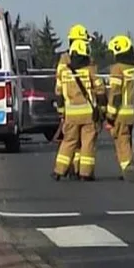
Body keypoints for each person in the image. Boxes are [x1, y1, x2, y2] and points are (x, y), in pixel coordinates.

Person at [52, 38, 105, 181]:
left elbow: (59, 94)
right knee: (88, 143)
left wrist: (62, 112)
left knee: (69, 141)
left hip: (71, 114)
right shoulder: (91, 69)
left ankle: (59, 170)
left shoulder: (65, 71)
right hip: (88, 114)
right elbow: (100, 90)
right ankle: (85, 174)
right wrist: (102, 109)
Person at [55, 24, 88, 178]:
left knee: (71, 139)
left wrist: (61, 109)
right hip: (86, 108)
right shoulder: (89, 61)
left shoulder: (64, 60)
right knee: (83, 142)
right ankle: (79, 169)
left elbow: (59, 86)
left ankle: (68, 168)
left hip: (70, 108)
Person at [104, 34, 134, 176]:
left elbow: (115, 95)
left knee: (122, 141)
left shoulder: (117, 69)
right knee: (133, 142)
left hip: (122, 114)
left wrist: (110, 117)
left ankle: (127, 170)